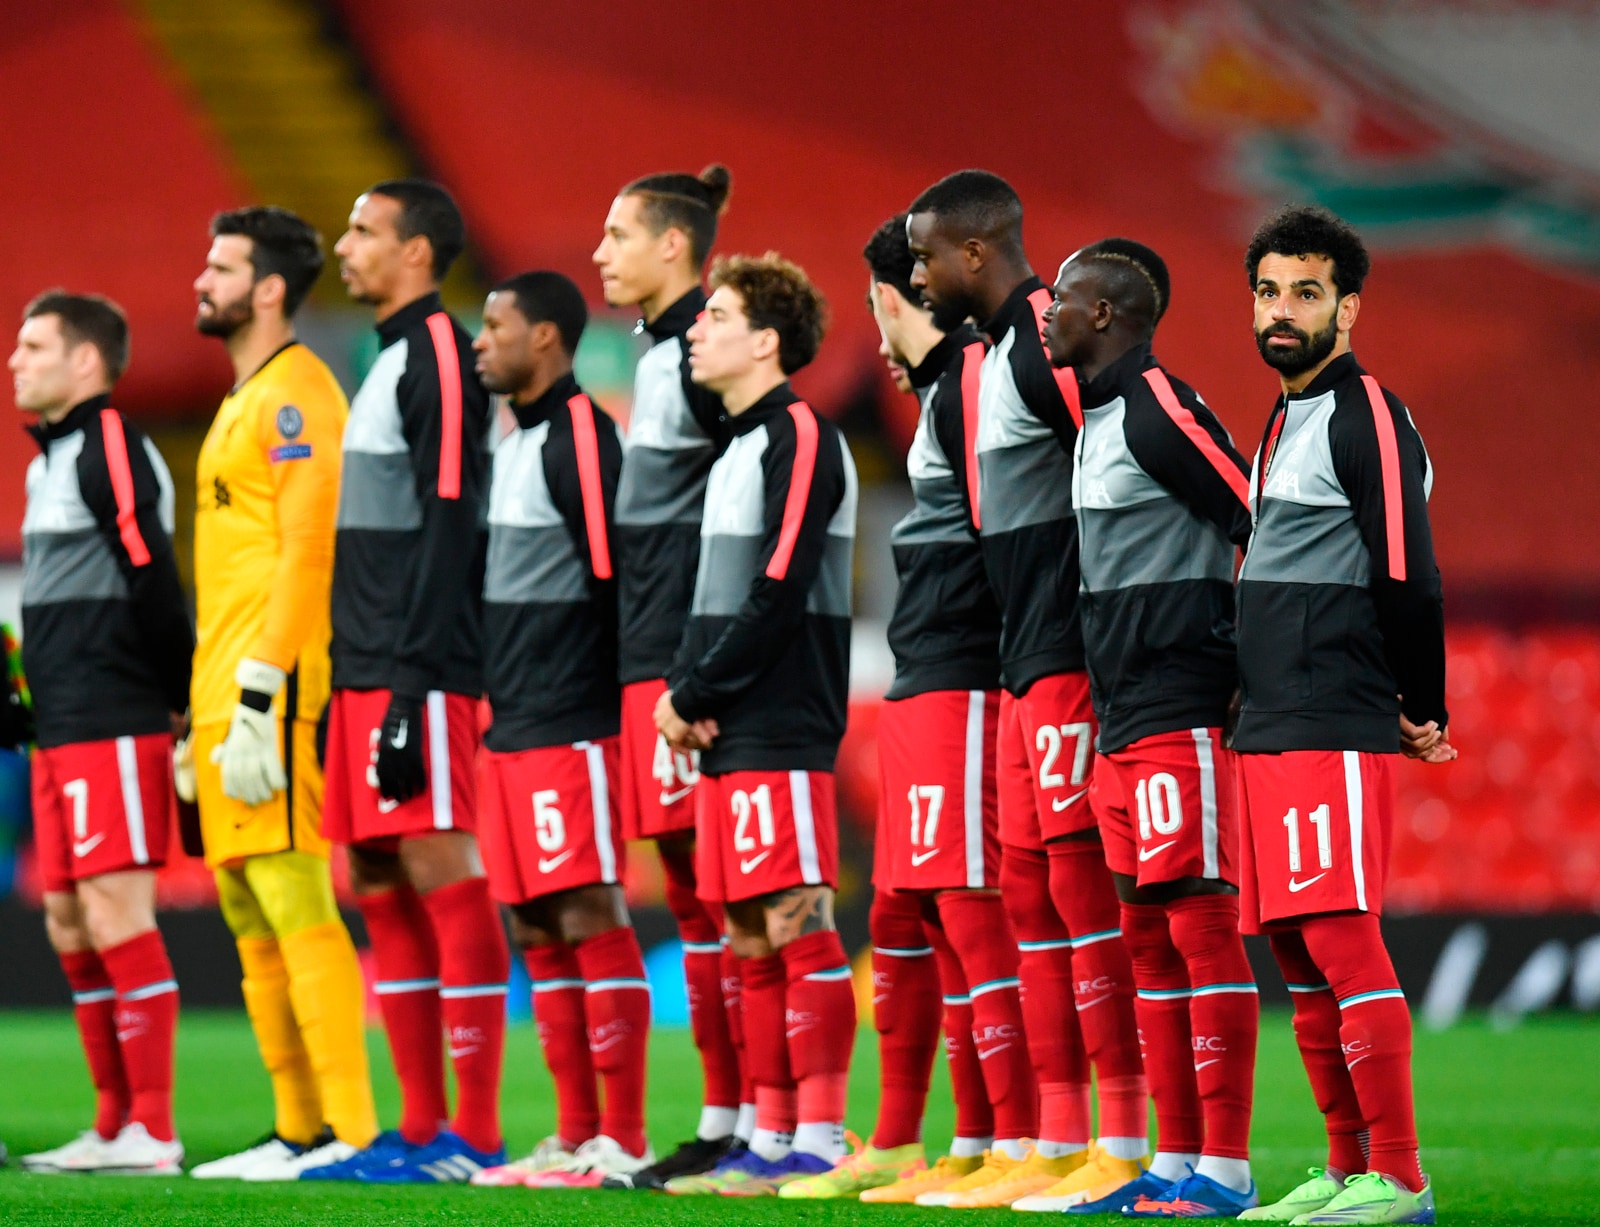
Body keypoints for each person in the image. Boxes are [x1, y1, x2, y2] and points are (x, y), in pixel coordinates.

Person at [906, 171, 1148, 1207]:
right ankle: (1050, 1141)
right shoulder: (993, 357)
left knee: (1081, 895)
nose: (917, 275)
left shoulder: (1051, 342)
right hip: (1021, 662)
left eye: (925, 255)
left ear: (974, 252)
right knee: (1028, 895)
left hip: (1070, 657)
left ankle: (1124, 1139)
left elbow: (1127, 457)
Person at [786, 216, 1037, 1203]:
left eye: (875, 306)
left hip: (965, 683)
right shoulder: (944, 394)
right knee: (899, 911)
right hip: (919, 681)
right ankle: (906, 1139)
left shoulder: (973, 381)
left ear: (896, 299)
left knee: (964, 911)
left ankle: (1007, 1141)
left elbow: (1006, 535)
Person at [1231, 206, 1451, 1226]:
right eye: (1268, 291)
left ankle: (1398, 1176)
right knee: (1295, 948)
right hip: (1272, 723)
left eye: (1306, 292)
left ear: (1348, 308)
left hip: (1331, 718)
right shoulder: (1284, 417)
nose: (1282, 311)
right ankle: (1342, 1165)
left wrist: (1421, 702)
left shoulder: (1367, 414)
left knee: (1340, 936)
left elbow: (1409, 573)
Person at [1041, 239, 1261, 1217]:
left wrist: (1247, 662)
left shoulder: (1158, 407)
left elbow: (1257, 514)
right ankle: (1172, 1163)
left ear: (1104, 313)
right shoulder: (1097, 420)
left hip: (1180, 705)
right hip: (1119, 717)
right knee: (1144, 933)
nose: (1046, 310)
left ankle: (1226, 1168)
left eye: (1061, 296)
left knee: (1199, 924)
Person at [304, 179, 508, 1184]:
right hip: (367, 665)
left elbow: (451, 521)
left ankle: (472, 1131)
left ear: (417, 252)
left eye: (362, 231)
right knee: (378, 879)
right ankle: (419, 1126)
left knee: (438, 863)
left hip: (416, 667)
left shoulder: (440, 358)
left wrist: (412, 681)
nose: (344, 246)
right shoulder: (389, 358)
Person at [653, 252, 858, 1196]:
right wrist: (694, 694)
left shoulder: (801, 436)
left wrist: (694, 692)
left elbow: (779, 589)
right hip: (729, 724)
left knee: (795, 924)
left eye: (719, 316)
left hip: (781, 720)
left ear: (767, 340)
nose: (698, 329)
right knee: (746, 933)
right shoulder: (736, 446)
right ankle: (768, 1139)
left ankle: (820, 1133)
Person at [183, 206, 378, 1181]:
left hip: (273, 685)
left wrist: (261, 691)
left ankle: (348, 1130)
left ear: (267, 288)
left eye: (220, 268)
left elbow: (308, 552)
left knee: (292, 890)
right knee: (246, 905)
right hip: (221, 688)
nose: (200, 280)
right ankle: (296, 1128)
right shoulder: (242, 398)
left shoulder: (299, 394)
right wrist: (201, 712)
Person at [461, 271, 654, 1188]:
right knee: (534, 920)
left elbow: (617, 579)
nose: (480, 341)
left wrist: (609, 707)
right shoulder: (514, 442)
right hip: (511, 721)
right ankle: (575, 1133)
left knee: (585, 908)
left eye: (494, 326)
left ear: (544, 337)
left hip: (570, 718)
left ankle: (622, 1138)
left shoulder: (582, 435)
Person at [592, 164, 751, 1189]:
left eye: (617, 234)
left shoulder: (706, 355)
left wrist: (700, 668)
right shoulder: (659, 357)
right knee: (693, 899)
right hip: (645, 655)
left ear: (671, 245)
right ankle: (725, 1113)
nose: (599, 252)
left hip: (686, 664)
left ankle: (766, 1116)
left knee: (725, 896)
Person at [11, 292, 191, 1174]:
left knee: (116, 907)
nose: (16, 361)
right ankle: (111, 1120)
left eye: (34, 346)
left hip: (113, 716)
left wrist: (177, 695)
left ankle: (152, 1129)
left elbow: (152, 574)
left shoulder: (109, 444)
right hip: (61, 722)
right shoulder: (51, 463)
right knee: (69, 918)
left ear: (86, 361)